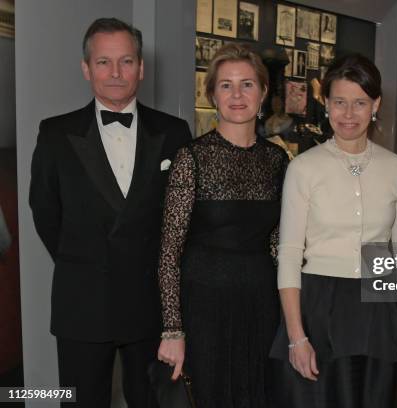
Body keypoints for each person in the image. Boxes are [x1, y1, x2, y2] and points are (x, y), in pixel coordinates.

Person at [29, 17, 191, 408]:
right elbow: (45, 213)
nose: (116, 73)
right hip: (82, 302)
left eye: (126, 61)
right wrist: (84, 263)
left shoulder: (175, 131)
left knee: (153, 403)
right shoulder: (54, 133)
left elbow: (183, 220)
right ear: (86, 68)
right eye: (103, 62)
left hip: (151, 306)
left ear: (141, 67)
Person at [270, 54, 397, 407]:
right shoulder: (304, 169)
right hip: (319, 307)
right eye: (339, 102)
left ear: (375, 104)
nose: (348, 114)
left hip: (379, 308)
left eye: (359, 103)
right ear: (326, 104)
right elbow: (289, 253)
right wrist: (296, 336)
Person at [156, 43, 289, 407]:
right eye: (226, 85)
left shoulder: (277, 160)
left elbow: (278, 242)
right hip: (204, 303)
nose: (237, 95)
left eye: (247, 84)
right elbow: (170, 252)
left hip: (261, 302)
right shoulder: (192, 158)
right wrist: (172, 329)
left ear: (263, 93)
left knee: (260, 394)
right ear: (211, 94)